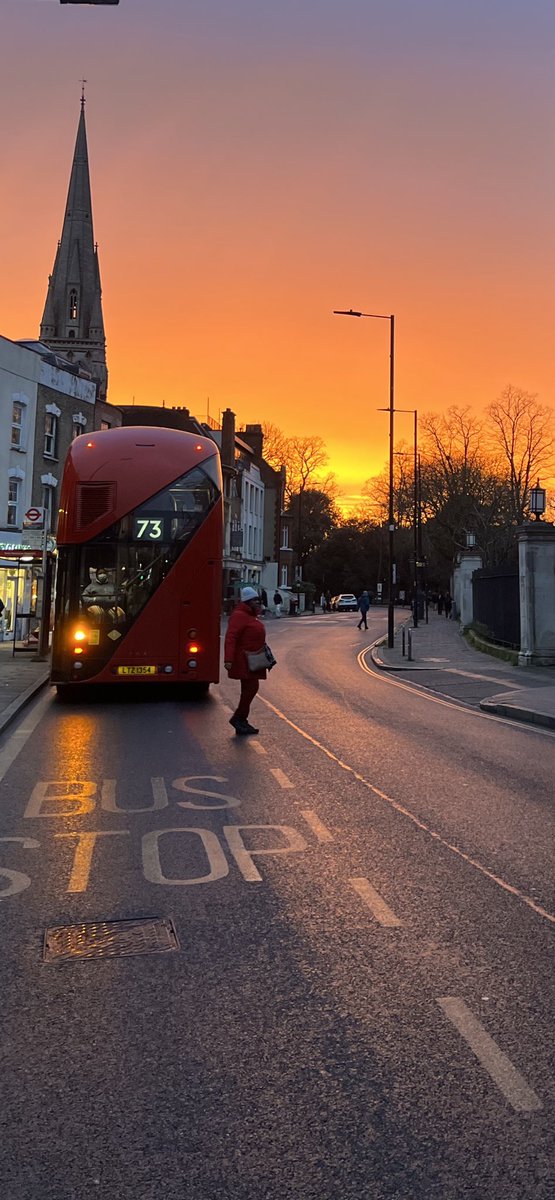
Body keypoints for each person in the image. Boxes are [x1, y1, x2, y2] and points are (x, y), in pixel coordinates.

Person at [224, 586, 268, 736]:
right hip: (244, 660)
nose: (258, 602)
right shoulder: (239, 616)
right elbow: (231, 638)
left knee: (250, 689)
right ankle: (239, 718)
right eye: (254, 600)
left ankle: (241, 719)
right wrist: (228, 659)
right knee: (250, 688)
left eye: (258, 600)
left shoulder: (249, 615)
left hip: (253, 658)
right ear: (247, 602)